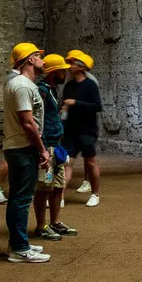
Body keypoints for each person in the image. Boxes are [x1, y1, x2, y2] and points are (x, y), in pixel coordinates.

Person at [0, 42, 52, 262]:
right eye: (39, 56)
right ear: (30, 59)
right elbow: (28, 123)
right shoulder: (22, 85)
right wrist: (42, 150)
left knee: (19, 198)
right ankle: (20, 249)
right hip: (23, 147)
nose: (42, 60)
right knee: (21, 199)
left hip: (21, 147)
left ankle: (18, 242)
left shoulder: (23, 84)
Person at [33, 54, 77, 240]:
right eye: (62, 70)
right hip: (47, 146)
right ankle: (41, 226)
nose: (65, 73)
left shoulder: (51, 91)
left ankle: (55, 222)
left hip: (57, 146)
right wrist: (40, 147)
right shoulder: (42, 92)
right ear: (53, 72)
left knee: (58, 187)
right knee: (44, 188)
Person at [63, 49, 103, 207]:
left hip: (87, 130)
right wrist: (63, 111)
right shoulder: (69, 85)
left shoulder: (90, 85)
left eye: (72, 64)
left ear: (80, 67)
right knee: (67, 163)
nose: (69, 66)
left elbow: (97, 106)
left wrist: (76, 103)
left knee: (91, 162)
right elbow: (64, 104)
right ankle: (60, 196)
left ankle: (95, 194)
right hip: (71, 131)